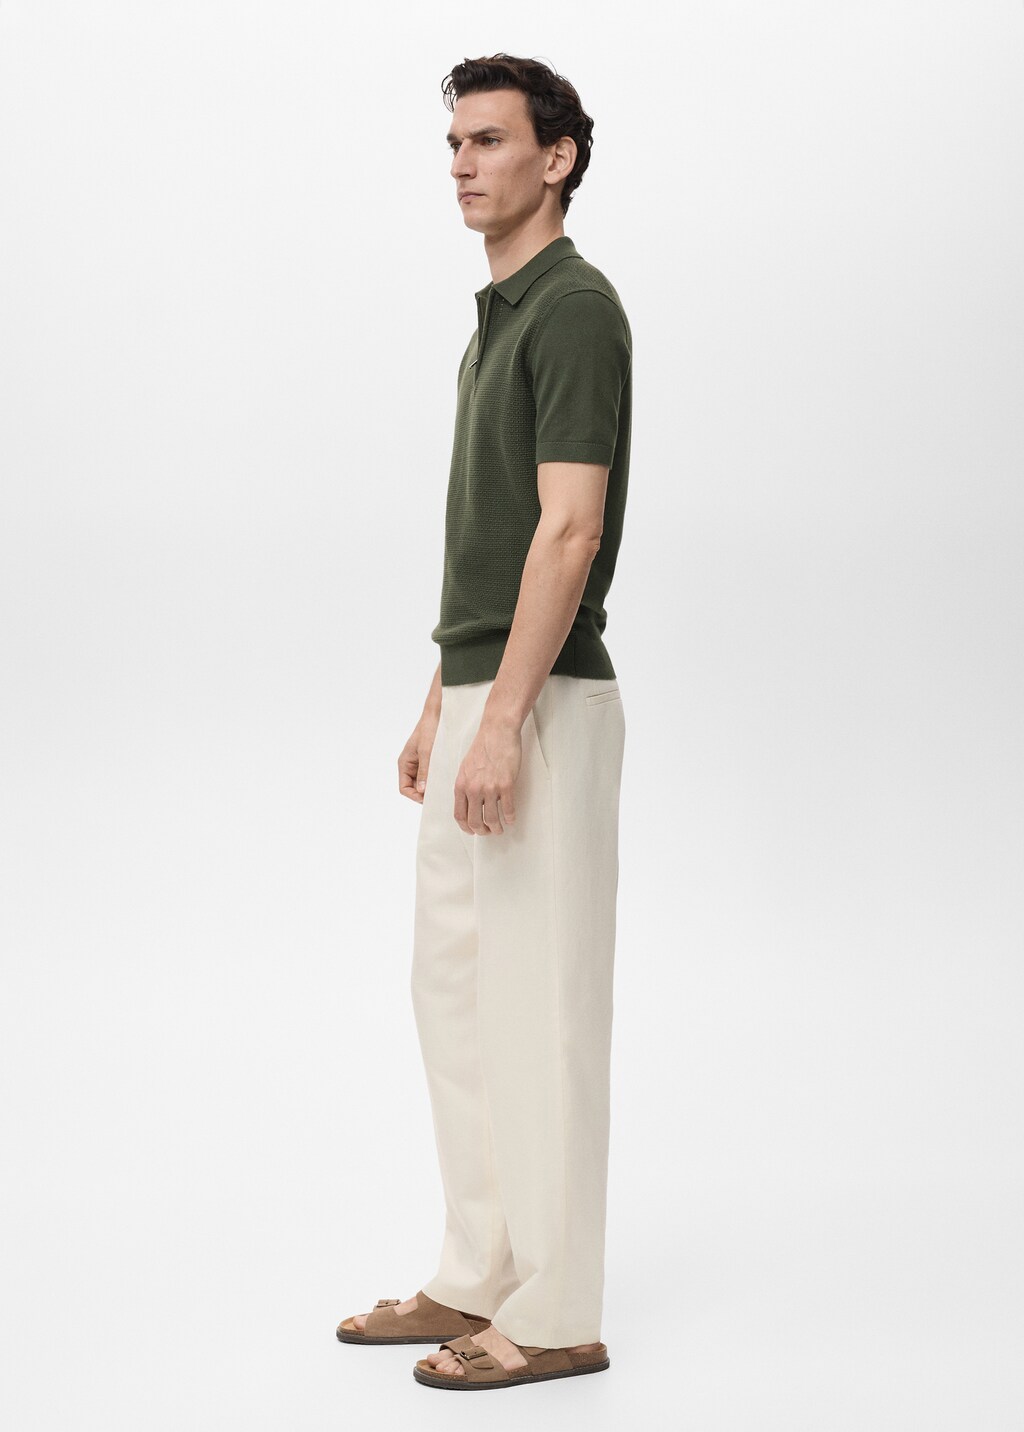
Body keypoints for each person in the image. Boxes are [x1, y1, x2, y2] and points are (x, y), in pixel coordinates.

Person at [337, 52, 632, 1391]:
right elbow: (492, 540)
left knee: (541, 1004)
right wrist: (442, 703)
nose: (463, 162)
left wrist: (505, 720)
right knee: (456, 993)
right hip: (483, 691)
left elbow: (569, 531)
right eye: (453, 142)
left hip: (544, 702)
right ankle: (481, 1268)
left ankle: (558, 1308)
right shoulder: (495, 320)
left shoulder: (573, 309)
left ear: (557, 158)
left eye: (491, 140)